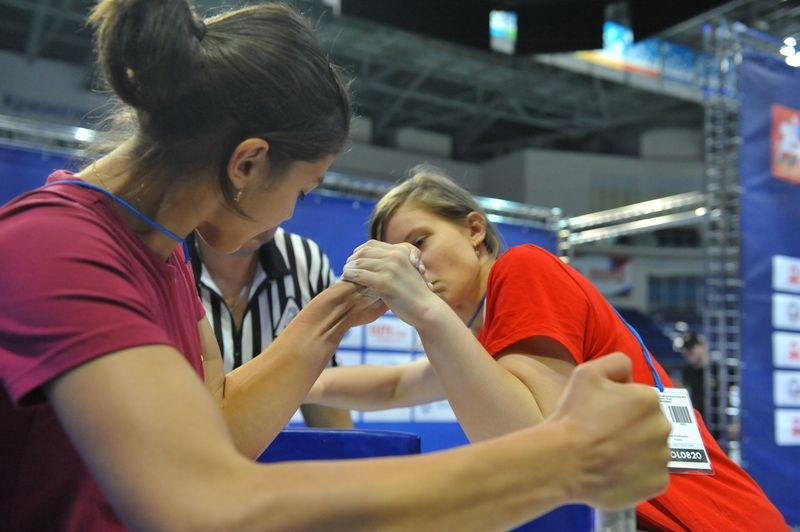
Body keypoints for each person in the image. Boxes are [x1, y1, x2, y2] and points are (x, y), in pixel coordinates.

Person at [0, 2, 672, 530]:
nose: (292, 214)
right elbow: (206, 505)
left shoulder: (163, 256)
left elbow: (219, 427)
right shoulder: (58, 244)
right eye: (305, 189)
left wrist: (338, 306)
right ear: (247, 163)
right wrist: (569, 459)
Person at [308, 167, 788, 531]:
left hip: (702, 518)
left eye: (419, 243)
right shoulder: (482, 335)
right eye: (401, 259)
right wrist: (289, 380)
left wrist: (425, 313)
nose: (412, 267)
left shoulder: (524, 269)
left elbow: (531, 449)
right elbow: (394, 386)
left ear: (475, 230)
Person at [187, 227, 352, 428]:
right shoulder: (163, 255)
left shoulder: (306, 261)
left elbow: (319, 388)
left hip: (267, 451)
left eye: (297, 195)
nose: (252, 207)